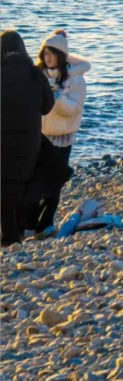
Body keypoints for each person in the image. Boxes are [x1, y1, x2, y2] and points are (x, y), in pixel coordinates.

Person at [28, 30, 89, 237]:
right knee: (35, 180)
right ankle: (30, 224)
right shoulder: (38, 76)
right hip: (40, 136)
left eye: (51, 53)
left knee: (54, 182)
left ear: (61, 56)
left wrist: (56, 96)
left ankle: (45, 224)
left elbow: (74, 108)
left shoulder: (76, 79)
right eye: (45, 53)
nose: (47, 57)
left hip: (62, 137)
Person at [1, 31, 53, 246]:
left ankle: (10, 236)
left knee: (3, 186)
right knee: (22, 183)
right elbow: (47, 107)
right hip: (29, 140)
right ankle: (20, 232)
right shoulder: (35, 74)